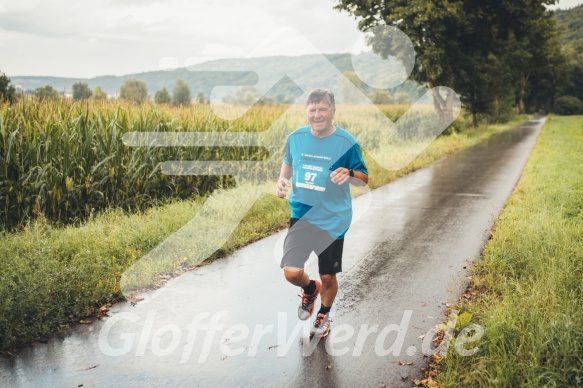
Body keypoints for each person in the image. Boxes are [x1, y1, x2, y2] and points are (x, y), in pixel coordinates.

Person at [276, 88, 369, 338]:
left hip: (332, 220)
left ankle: (324, 313)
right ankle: (310, 290)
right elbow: (288, 161)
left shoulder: (346, 143)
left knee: (328, 275)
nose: (317, 115)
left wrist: (349, 174)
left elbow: (364, 178)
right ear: (307, 112)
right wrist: (282, 180)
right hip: (302, 215)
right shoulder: (296, 138)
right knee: (291, 272)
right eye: (313, 109)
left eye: (323, 109)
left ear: (333, 111)